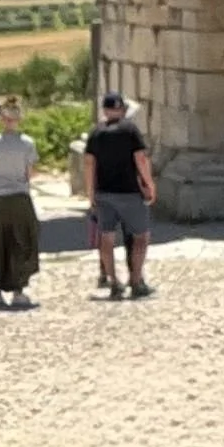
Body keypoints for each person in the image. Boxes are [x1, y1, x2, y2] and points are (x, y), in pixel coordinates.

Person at [84, 89, 155, 299]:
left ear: (105, 110)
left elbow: (89, 164)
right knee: (141, 236)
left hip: (104, 192)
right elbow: (140, 159)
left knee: (106, 237)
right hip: (129, 192)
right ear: (121, 109)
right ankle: (136, 281)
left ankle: (114, 282)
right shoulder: (130, 130)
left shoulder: (96, 133)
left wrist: (90, 194)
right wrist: (149, 183)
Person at [0, 96, 41, 310]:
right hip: (20, 196)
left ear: (0, 118)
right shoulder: (27, 144)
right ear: (19, 119)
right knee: (21, 241)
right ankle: (18, 289)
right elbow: (30, 172)